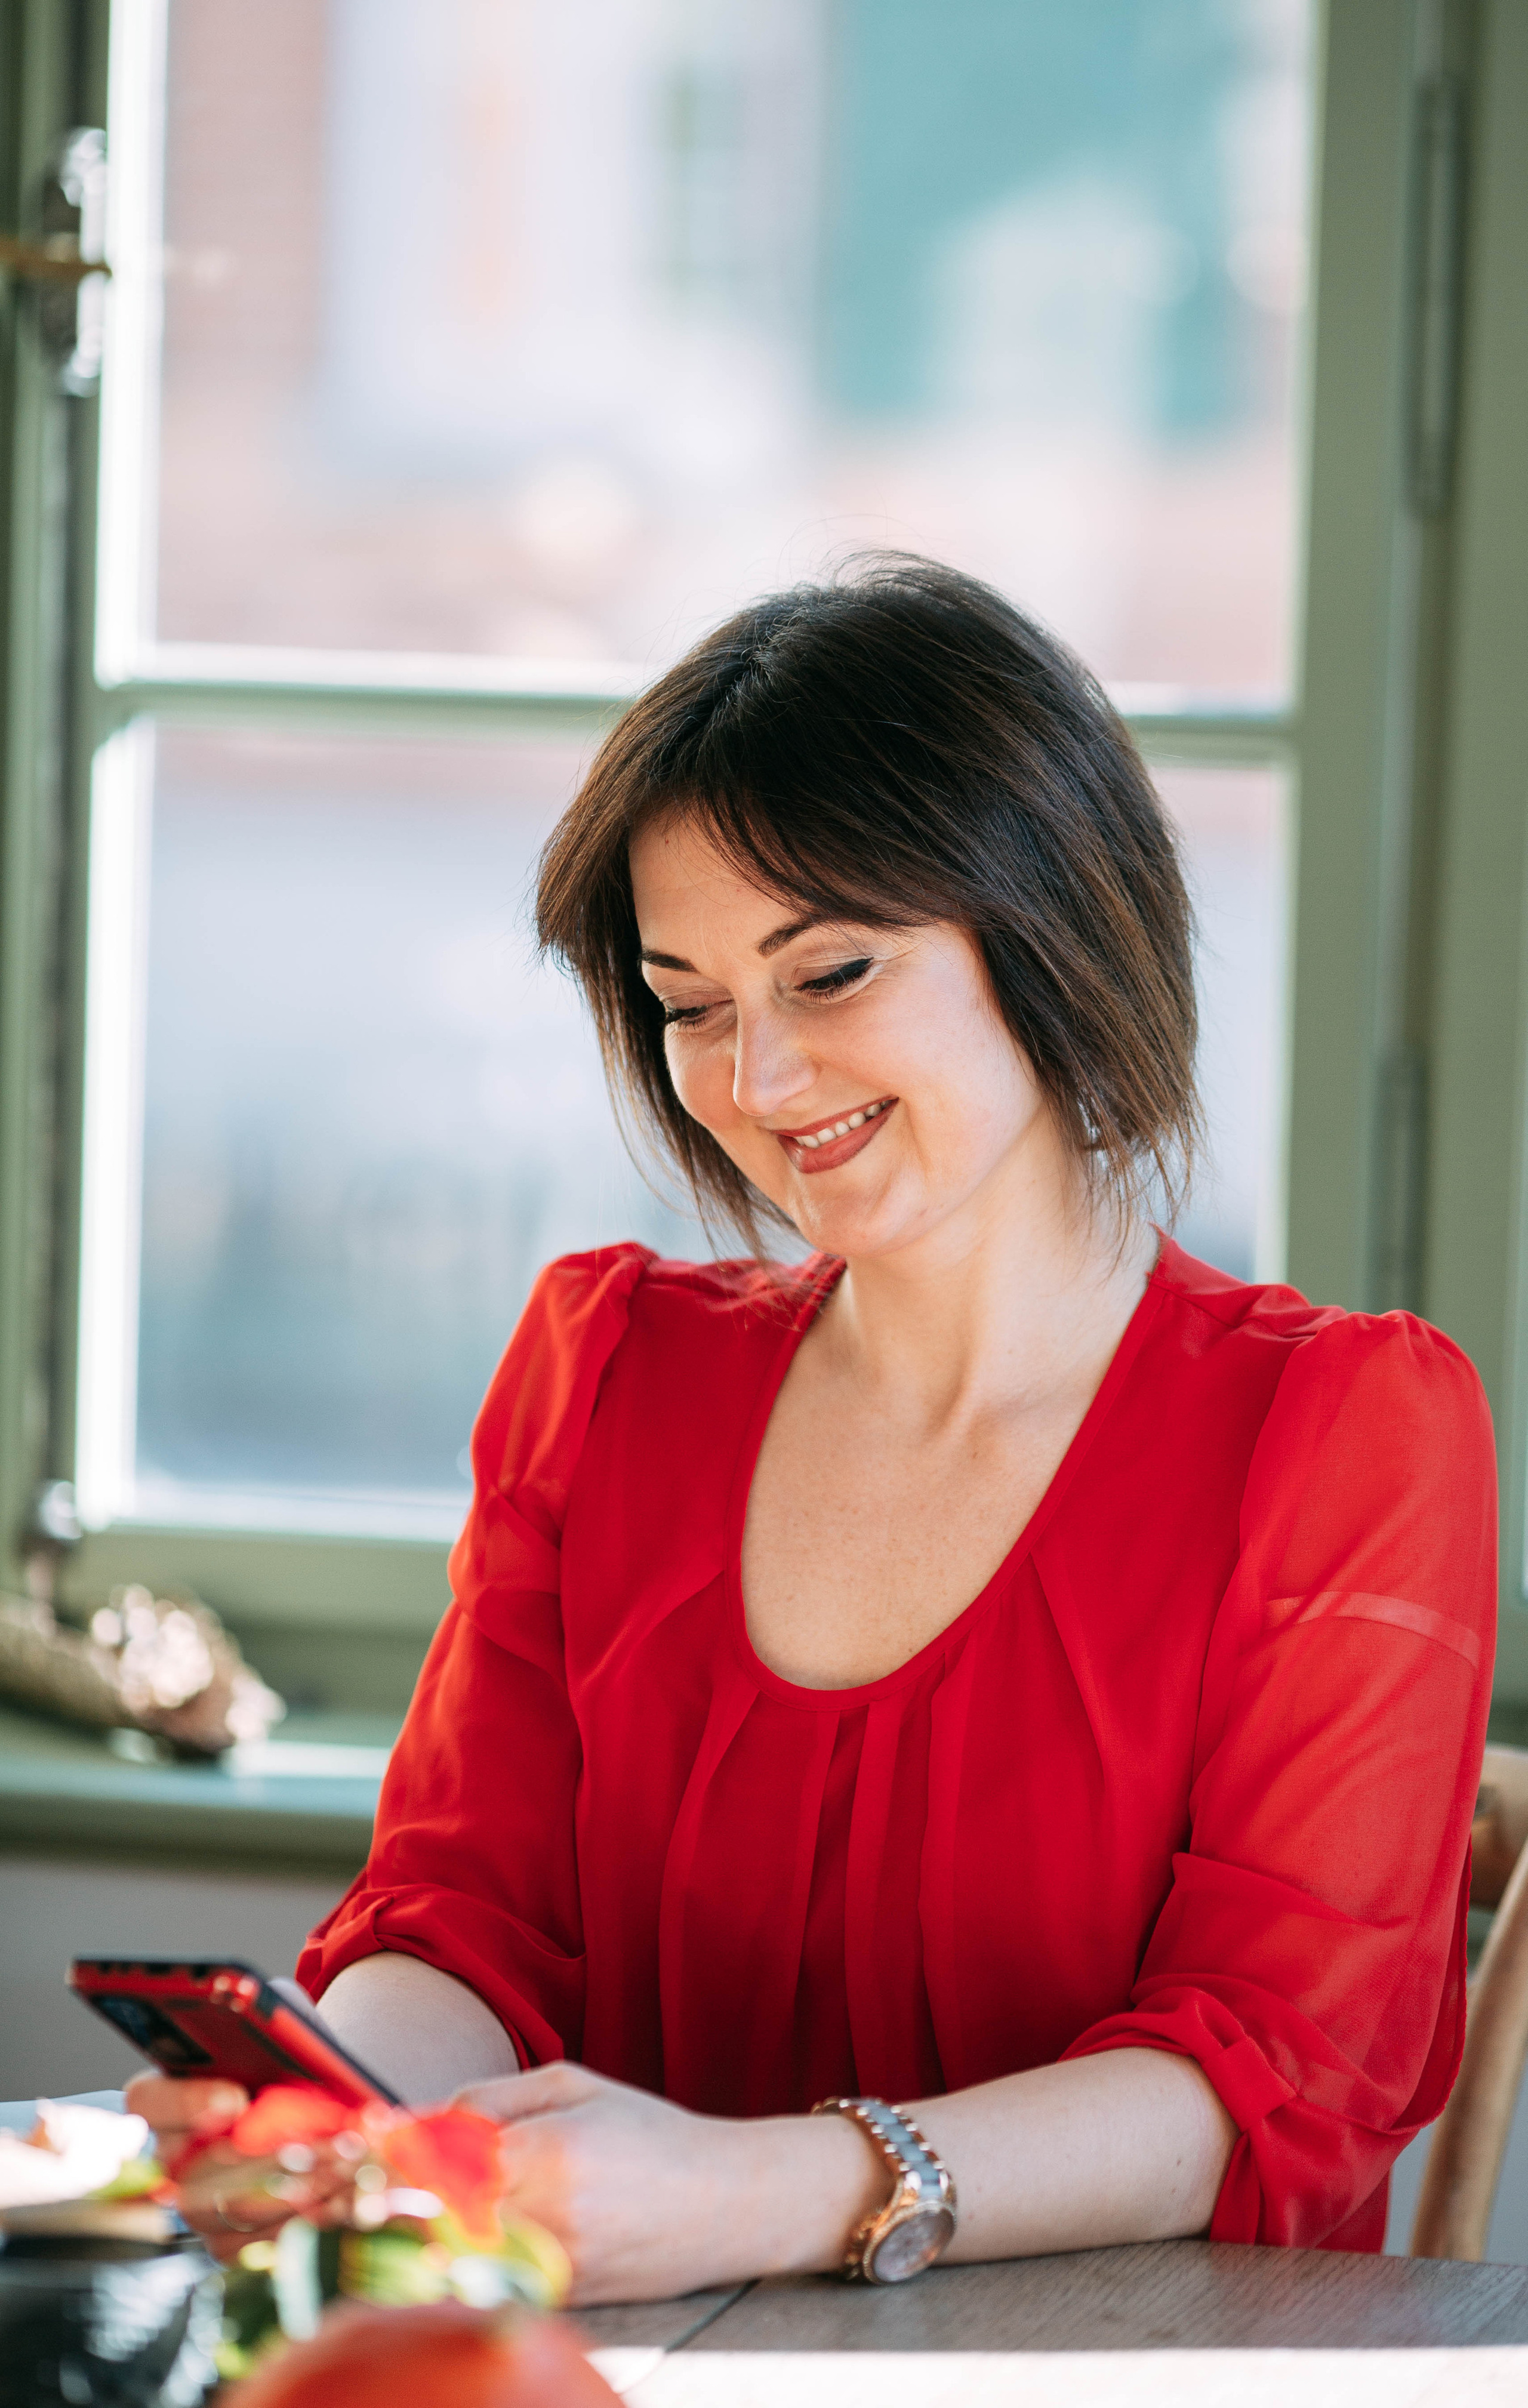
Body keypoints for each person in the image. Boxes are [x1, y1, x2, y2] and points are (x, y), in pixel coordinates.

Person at [132, 557, 1496, 2302]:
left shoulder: (1349, 1430)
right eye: (690, 1006)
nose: (757, 1083)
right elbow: (464, 1921)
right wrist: (337, 2101)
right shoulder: (607, 1371)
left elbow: (1263, 2088)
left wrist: (765, 2192)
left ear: (1054, 923)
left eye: (831, 972)